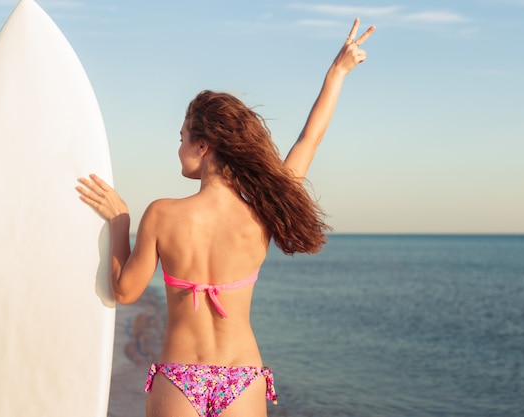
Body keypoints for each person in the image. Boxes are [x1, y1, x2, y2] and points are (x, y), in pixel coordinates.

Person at [77, 18, 374, 417]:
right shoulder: (266, 210)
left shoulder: (162, 213)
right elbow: (310, 139)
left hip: (180, 376)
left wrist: (119, 221)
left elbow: (124, 292)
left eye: (182, 137)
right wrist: (337, 72)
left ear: (203, 145)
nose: (178, 146)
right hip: (241, 377)